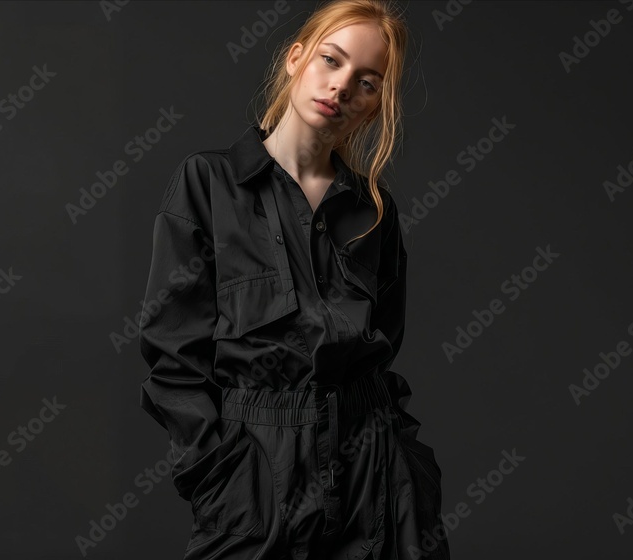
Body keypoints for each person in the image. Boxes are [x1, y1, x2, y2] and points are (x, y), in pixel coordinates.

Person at [137, 1, 450, 558]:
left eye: (367, 83)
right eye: (331, 60)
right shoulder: (208, 183)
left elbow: (383, 349)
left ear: (375, 106)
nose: (341, 86)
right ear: (296, 58)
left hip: (376, 481)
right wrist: (220, 479)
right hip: (258, 478)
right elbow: (173, 359)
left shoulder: (374, 212)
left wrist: (408, 470)